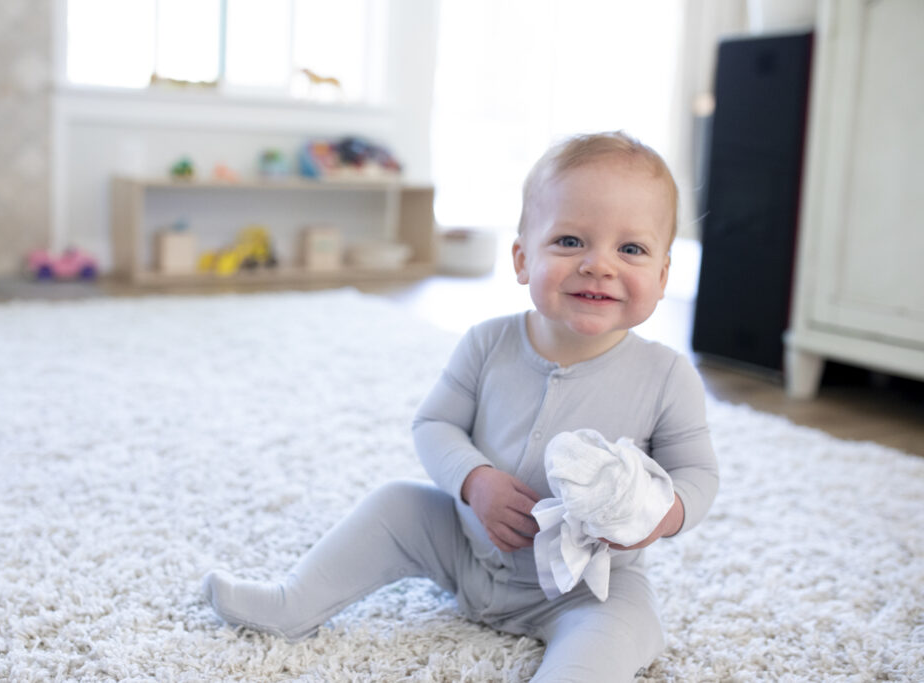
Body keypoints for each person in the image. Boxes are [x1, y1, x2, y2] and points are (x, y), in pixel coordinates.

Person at [203, 131, 719, 681]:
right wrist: (474, 480)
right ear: (522, 259)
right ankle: (293, 601)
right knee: (395, 504)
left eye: (631, 249)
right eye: (570, 241)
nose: (599, 265)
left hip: (587, 584)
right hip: (467, 550)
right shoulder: (487, 343)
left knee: (626, 623)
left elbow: (698, 475)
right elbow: (435, 423)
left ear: (663, 276)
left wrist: (658, 517)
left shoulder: (666, 376)